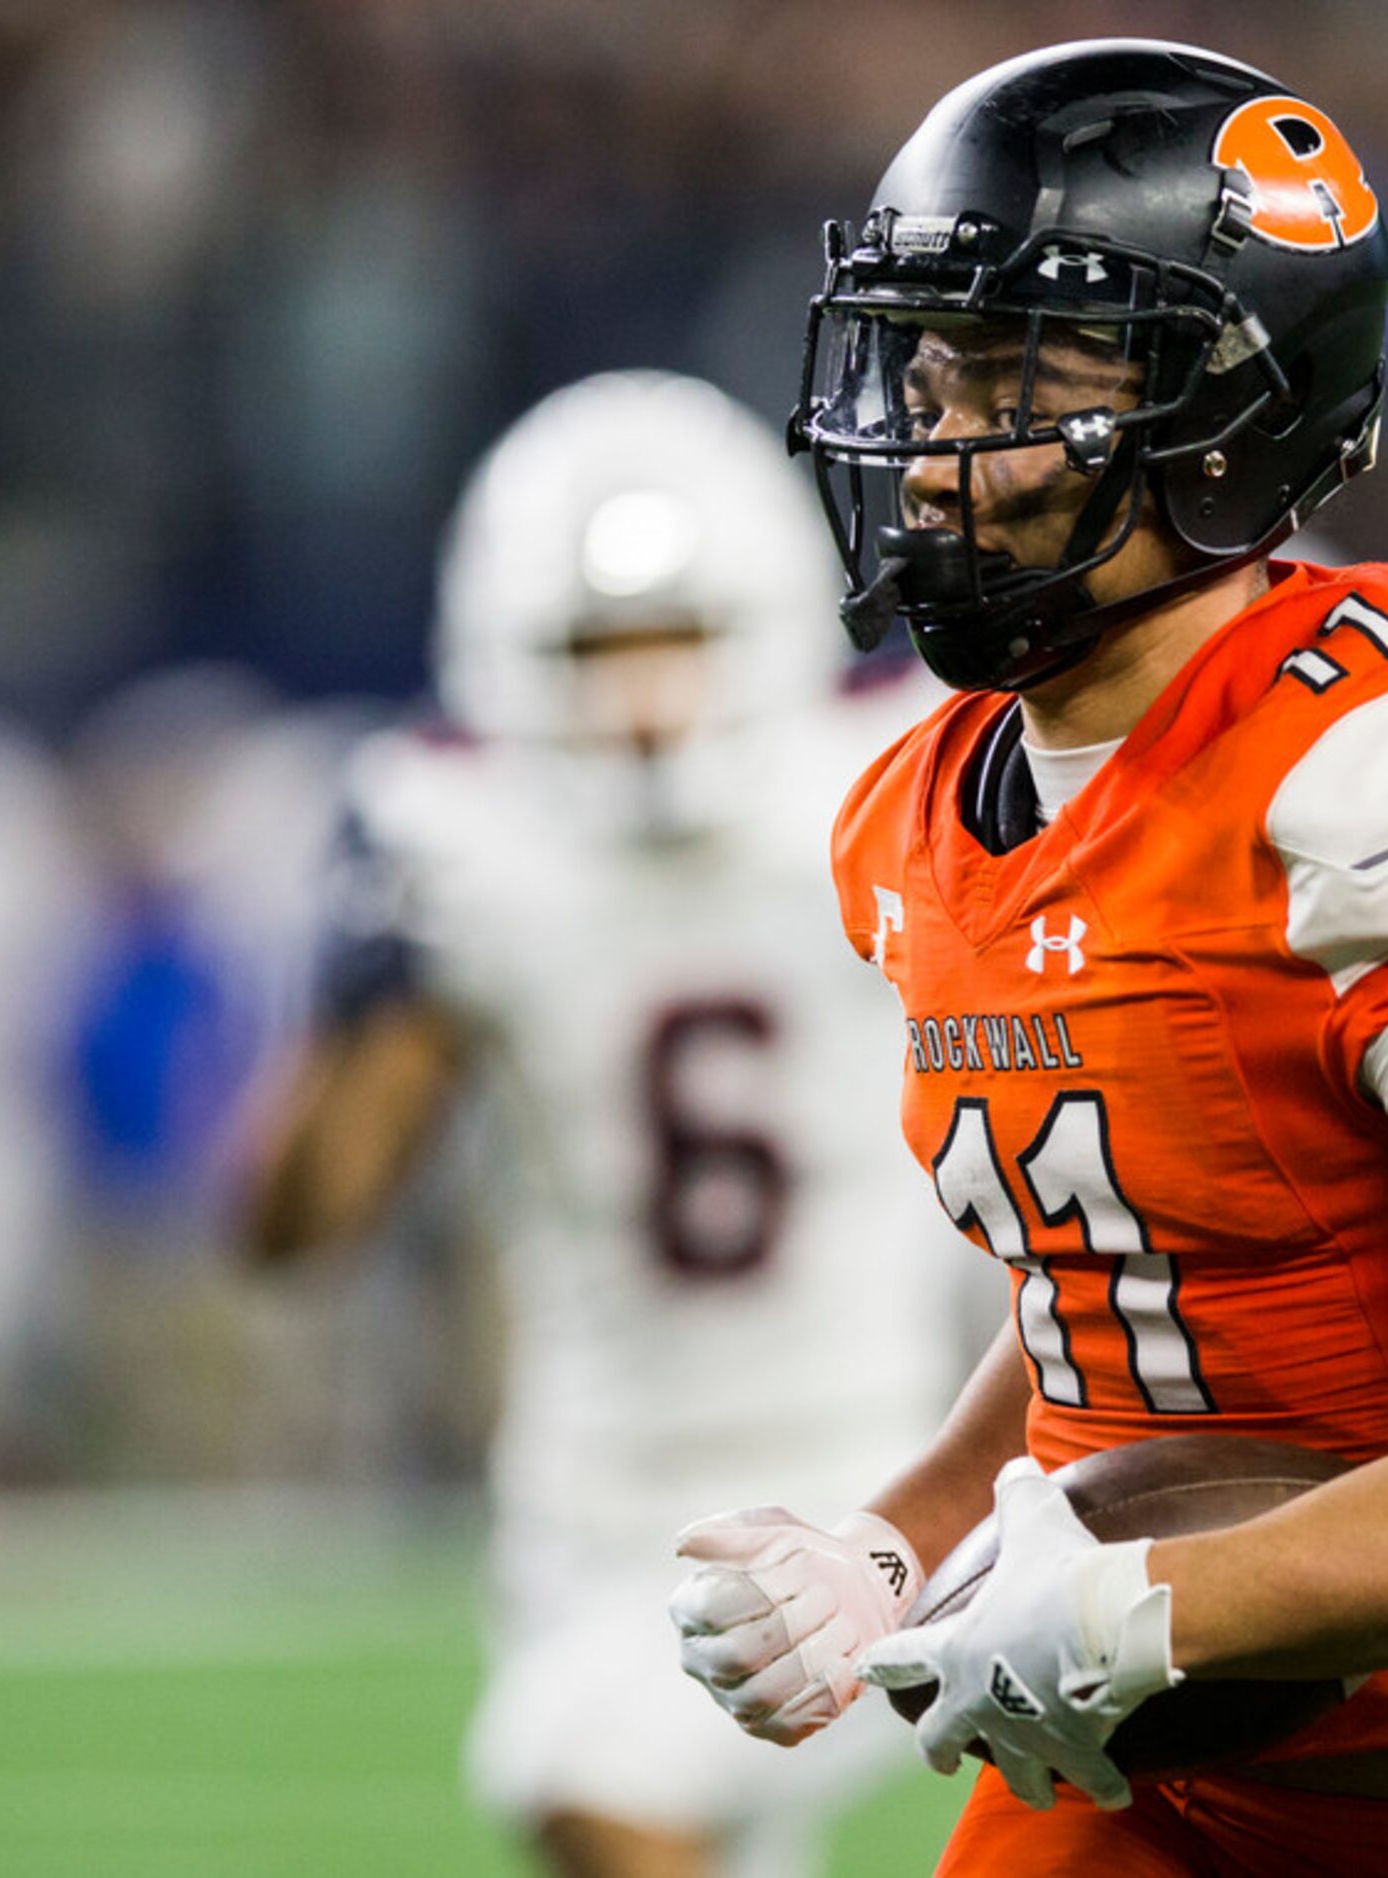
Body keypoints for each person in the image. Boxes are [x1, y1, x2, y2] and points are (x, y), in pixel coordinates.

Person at [668, 39, 1388, 1875]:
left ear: (1222, 420)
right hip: (1132, 1786)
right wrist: (891, 1543)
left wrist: (1141, 1610)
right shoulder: (923, 808)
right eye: (923, 362)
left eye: (1008, 377)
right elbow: (1136, 1278)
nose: (927, 442)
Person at [243, 370, 969, 1878]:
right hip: (585, 1494)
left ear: (762, 627)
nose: (642, 699)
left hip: (866, 1456)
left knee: (582, 1776)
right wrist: (362, 1007)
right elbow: (297, 1227)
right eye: (595, 650)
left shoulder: (891, 775)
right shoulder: (461, 845)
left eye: (677, 640)